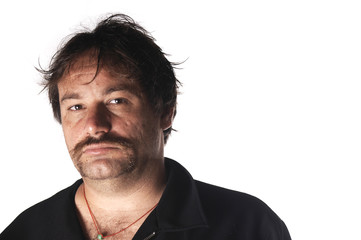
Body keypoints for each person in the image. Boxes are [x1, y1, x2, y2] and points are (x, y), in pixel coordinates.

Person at [0, 14, 291, 240]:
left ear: (166, 111)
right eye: (76, 107)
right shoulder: (23, 233)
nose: (94, 126)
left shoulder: (249, 227)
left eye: (117, 101)